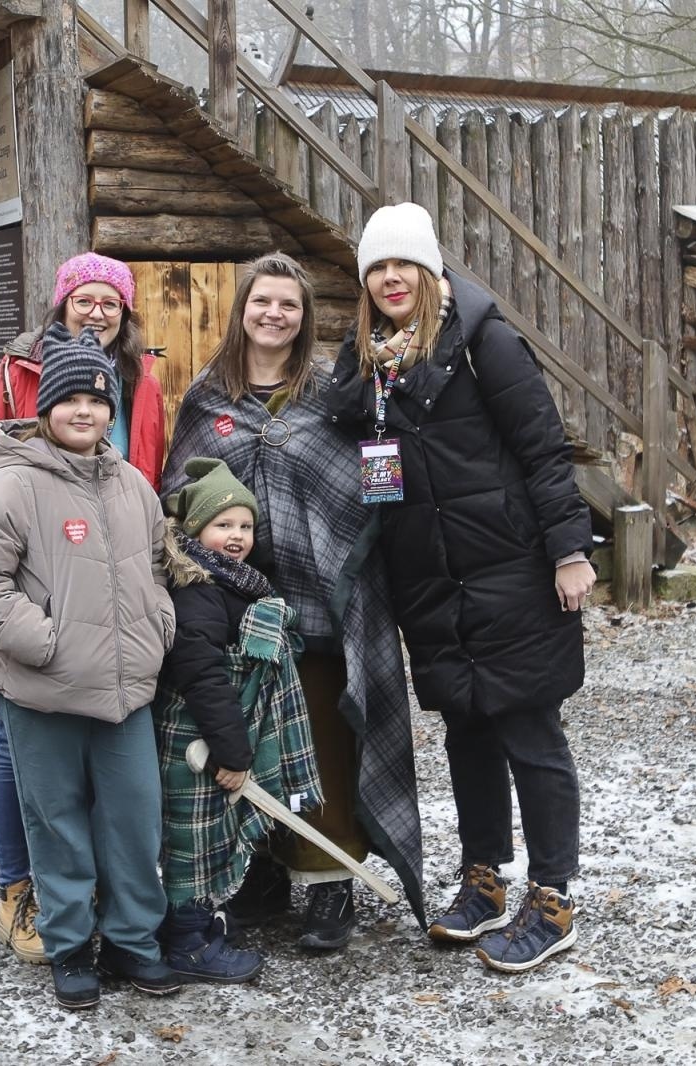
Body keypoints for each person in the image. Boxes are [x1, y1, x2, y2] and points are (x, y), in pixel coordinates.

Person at [325, 202, 596, 974]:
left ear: (431, 271)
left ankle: (552, 898)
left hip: (510, 569)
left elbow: (545, 450)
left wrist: (569, 550)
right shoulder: (367, 364)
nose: (389, 279)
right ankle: (484, 882)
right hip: (430, 584)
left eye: (401, 264)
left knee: (528, 733)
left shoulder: (485, 343)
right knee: (468, 732)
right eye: (376, 268)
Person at [164, 252, 425, 951]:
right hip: (236, 615)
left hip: (325, 604)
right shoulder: (207, 399)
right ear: (242, 309)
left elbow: (377, 472)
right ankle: (266, 871)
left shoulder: (333, 392)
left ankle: (332, 880)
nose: (274, 314)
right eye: (262, 302)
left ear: (305, 318)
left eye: (289, 304)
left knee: (325, 741)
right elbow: (177, 499)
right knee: (252, 736)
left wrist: (377, 523)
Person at [0, 252, 165, 965]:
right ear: (61, 305)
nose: (96, 311)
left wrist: (153, 620)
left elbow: (151, 483)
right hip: (46, 608)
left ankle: (112, 909)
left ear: (125, 314)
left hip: (117, 604)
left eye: (110, 301)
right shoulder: (13, 378)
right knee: (28, 759)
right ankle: (24, 891)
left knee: (120, 778)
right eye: (84, 298)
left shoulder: (143, 381)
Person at [154, 457, 322, 983]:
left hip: (213, 736)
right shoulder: (199, 590)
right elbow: (204, 677)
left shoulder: (238, 582)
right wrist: (233, 753)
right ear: (195, 530)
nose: (237, 535)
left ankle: (196, 929)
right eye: (223, 524)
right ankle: (187, 943)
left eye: (245, 525)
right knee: (193, 842)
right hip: (194, 741)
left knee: (208, 837)